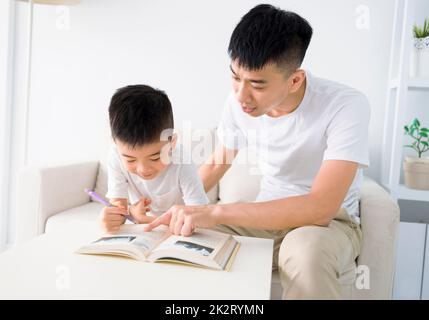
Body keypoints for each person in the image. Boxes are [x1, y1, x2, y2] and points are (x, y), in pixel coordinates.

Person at [145, 4, 370, 299]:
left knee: (306, 253)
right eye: (235, 77)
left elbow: (321, 207)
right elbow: (216, 165)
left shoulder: (345, 105)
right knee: (175, 234)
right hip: (264, 217)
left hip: (328, 224)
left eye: (256, 84)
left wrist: (215, 211)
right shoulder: (238, 103)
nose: (241, 95)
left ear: (295, 80)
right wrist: (160, 207)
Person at [100, 84, 209, 233]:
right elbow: (119, 208)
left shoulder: (182, 160)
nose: (143, 169)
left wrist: (144, 219)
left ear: (172, 143)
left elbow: (199, 215)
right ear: (116, 145)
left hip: (178, 228)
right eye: (131, 160)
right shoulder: (116, 156)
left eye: (155, 158)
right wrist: (111, 218)